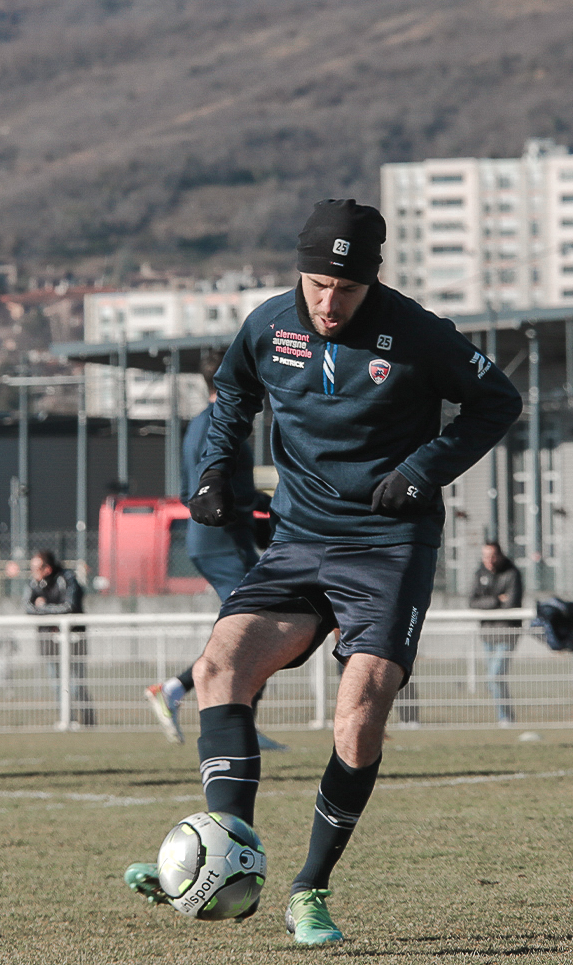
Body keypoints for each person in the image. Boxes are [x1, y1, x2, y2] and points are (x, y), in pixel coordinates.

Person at [124, 199, 521, 945]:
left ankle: (309, 888)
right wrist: (213, 472)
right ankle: (225, 851)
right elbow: (234, 393)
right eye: (316, 285)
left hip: (389, 543)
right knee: (218, 669)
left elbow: (498, 399)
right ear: (298, 274)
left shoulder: (417, 333)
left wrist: (422, 470)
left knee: (360, 707)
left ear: (370, 282)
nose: (328, 302)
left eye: (344, 288)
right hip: (300, 539)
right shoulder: (269, 324)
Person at [145, 351, 289, 752]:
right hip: (222, 541)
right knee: (258, 627)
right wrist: (265, 501)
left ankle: (196, 699)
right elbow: (223, 488)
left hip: (219, 538)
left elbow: (188, 489)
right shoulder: (219, 426)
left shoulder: (199, 425)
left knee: (252, 630)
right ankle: (182, 694)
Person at [26, 550, 94, 727]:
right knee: (57, 684)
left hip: (74, 638)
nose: (33, 572)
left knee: (77, 684)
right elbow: (27, 607)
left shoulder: (67, 579)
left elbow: (70, 606)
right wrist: (45, 610)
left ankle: (88, 722)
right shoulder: (34, 583)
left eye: (36, 568)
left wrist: (44, 607)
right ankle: (67, 719)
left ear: (47, 568)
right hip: (49, 641)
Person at [468, 542, 524, 726]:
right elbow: (473, 602)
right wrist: (496, 599)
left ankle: (505, 718)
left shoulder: (512, 573)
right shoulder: (480, 574)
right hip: (487, 634)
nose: (489, 561)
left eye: (492, 556)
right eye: (485, 556)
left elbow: (512, 603)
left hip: (507, 633)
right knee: (494, 680)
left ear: (500, 555)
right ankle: (507, 716)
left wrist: (491, 602)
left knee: (494, 677)